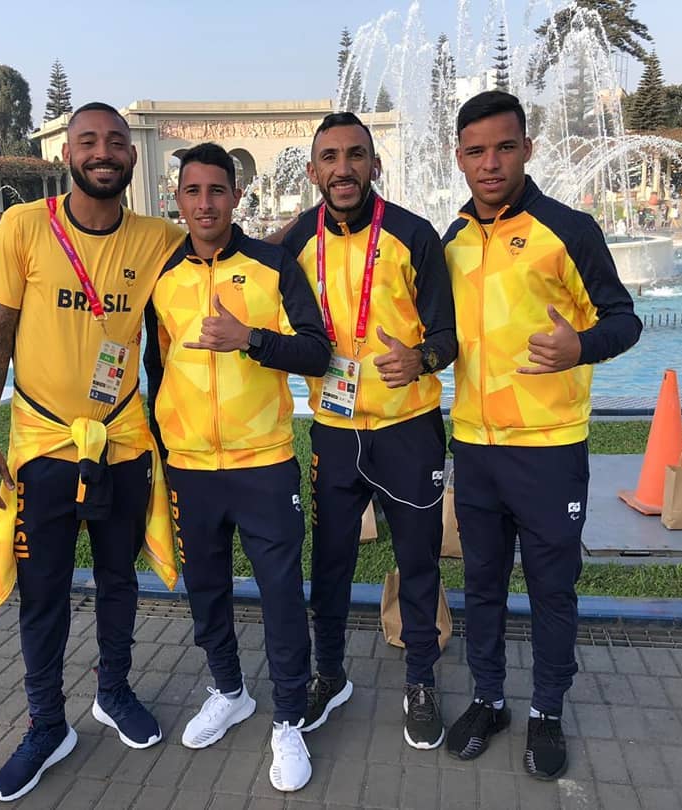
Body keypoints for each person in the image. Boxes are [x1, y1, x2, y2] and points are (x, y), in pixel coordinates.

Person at [0, 101, 184, 803]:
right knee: (44, 593)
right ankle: (46, 725)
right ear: (67, 154)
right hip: (43, 447)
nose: (103, 151)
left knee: (119, 579)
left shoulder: (157, 238)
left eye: (115, 141)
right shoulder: (24, 226)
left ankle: (113, 691)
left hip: (122, 443)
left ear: (131, 156)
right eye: (88, 140)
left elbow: (228, 247)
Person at [441, 91, 641, 780]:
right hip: (475, 445)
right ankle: (489, 700)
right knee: (483, 584)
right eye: (476, 151)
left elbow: (624, 319)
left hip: (550, 447)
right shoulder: (453, 239)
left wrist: (580, 346)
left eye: (504, 147)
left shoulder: (569, 229)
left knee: (553, 588)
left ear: (528, 148)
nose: (490, 163)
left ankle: (547, 710)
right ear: (459, 157)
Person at [144, 142, 331, 792]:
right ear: (178, 198)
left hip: (263, 464)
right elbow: (157, 367)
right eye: (192, 191)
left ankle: (289, 719)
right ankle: (229, 690)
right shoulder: (162, 276)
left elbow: (317, 352)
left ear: (236, 197)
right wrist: (164, 446)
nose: (204, 204)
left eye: (216, 190)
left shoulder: (274, 266)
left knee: (281, 595)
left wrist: (249, 339)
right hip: (191, 468)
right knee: (207, 591)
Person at [279, 112, 457, 749]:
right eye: (329, 157)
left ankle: (421, 680)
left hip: (408, 429)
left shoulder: (413, 234)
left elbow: (447, 336)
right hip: (334, 430)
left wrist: (421, 358)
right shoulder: (294, 241)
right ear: (312, 171)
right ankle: (329, 675)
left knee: (417, 562)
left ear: (374, 165)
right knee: (329, 563)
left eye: (355, 155)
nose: (343, 168)